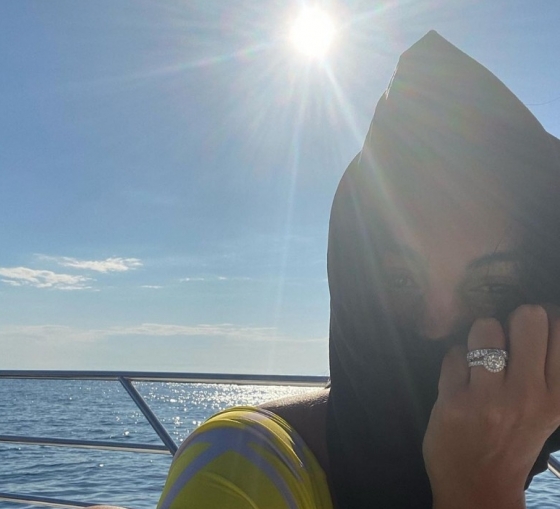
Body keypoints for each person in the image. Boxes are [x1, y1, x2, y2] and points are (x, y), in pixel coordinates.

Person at [150, 30, 560, 509]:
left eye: (492, 287)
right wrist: (480, 488)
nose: (436, 327)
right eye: (401, 280)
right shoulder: (236, 468)